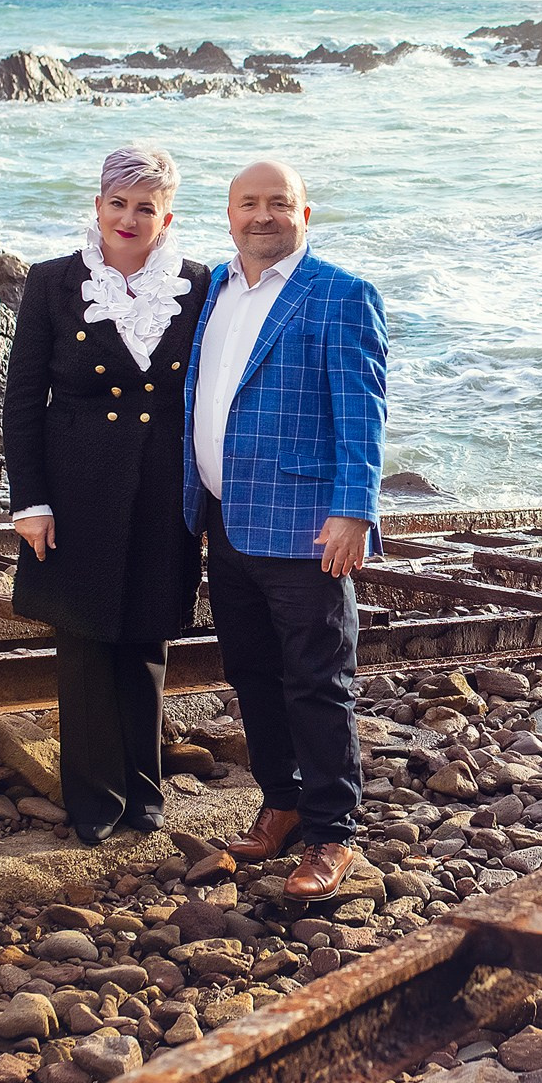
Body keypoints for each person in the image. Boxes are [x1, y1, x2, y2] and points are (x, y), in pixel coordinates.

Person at [184, 158, 386, 900]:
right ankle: (282, 802)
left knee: (318, 680)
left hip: (306, 527)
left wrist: (353, 510)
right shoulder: (210, 288)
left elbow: (361, 410)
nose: (261, 216)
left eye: (278, 203)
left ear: (306, 212)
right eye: (248, 204)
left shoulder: (340, 293)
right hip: (224, 521)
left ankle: (333, 836)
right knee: (252, 675)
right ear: (229, 213)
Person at [3, 146, 211, 845]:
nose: (129, 218)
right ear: (97, 207)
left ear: (165, 215)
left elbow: (210, 398)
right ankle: (93, 800)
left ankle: (143, 793)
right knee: (84, 643)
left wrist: (211, 499)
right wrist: (30, 501)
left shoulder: (198, 285)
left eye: (144, 207)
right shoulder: (52, 283)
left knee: (147, 639)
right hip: (75, 489)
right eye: (117, 203)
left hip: (160, 489)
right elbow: (23, 402)